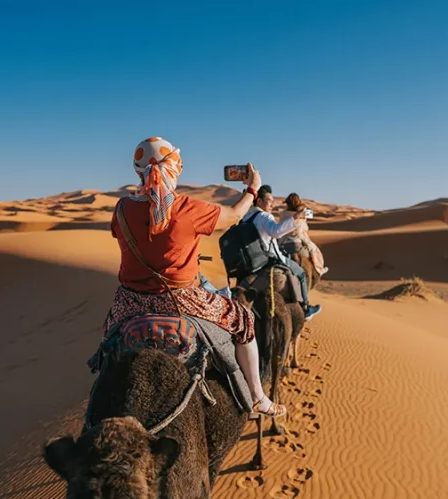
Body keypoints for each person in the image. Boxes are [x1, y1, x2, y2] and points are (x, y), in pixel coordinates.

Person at [104, 137, 285, 418]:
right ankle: (257, 397)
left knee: (108, 340)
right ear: (173, 168)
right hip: (182, 299)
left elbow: (130, 232)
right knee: (244, 319)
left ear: (137, 170)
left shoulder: (121, 209)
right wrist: (252, 189)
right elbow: (235, 215)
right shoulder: (187, 208)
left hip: (130, 302)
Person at [247, 185, 322, 321]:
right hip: (288, 247)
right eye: (270, 201)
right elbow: (276, 231)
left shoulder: (248, 216)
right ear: (259, 201)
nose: (272, 204)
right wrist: (298, 215)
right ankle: (305, 307)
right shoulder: (265, 216)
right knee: (303, 270)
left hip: (261, 254)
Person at [278, 193, 328, 277]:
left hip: (283, 243)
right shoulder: (303, 213)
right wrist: (302, 207)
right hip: (297, 243)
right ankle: (319, 269)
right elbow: (311, 215)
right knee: (314, 251)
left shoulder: (282, 214)